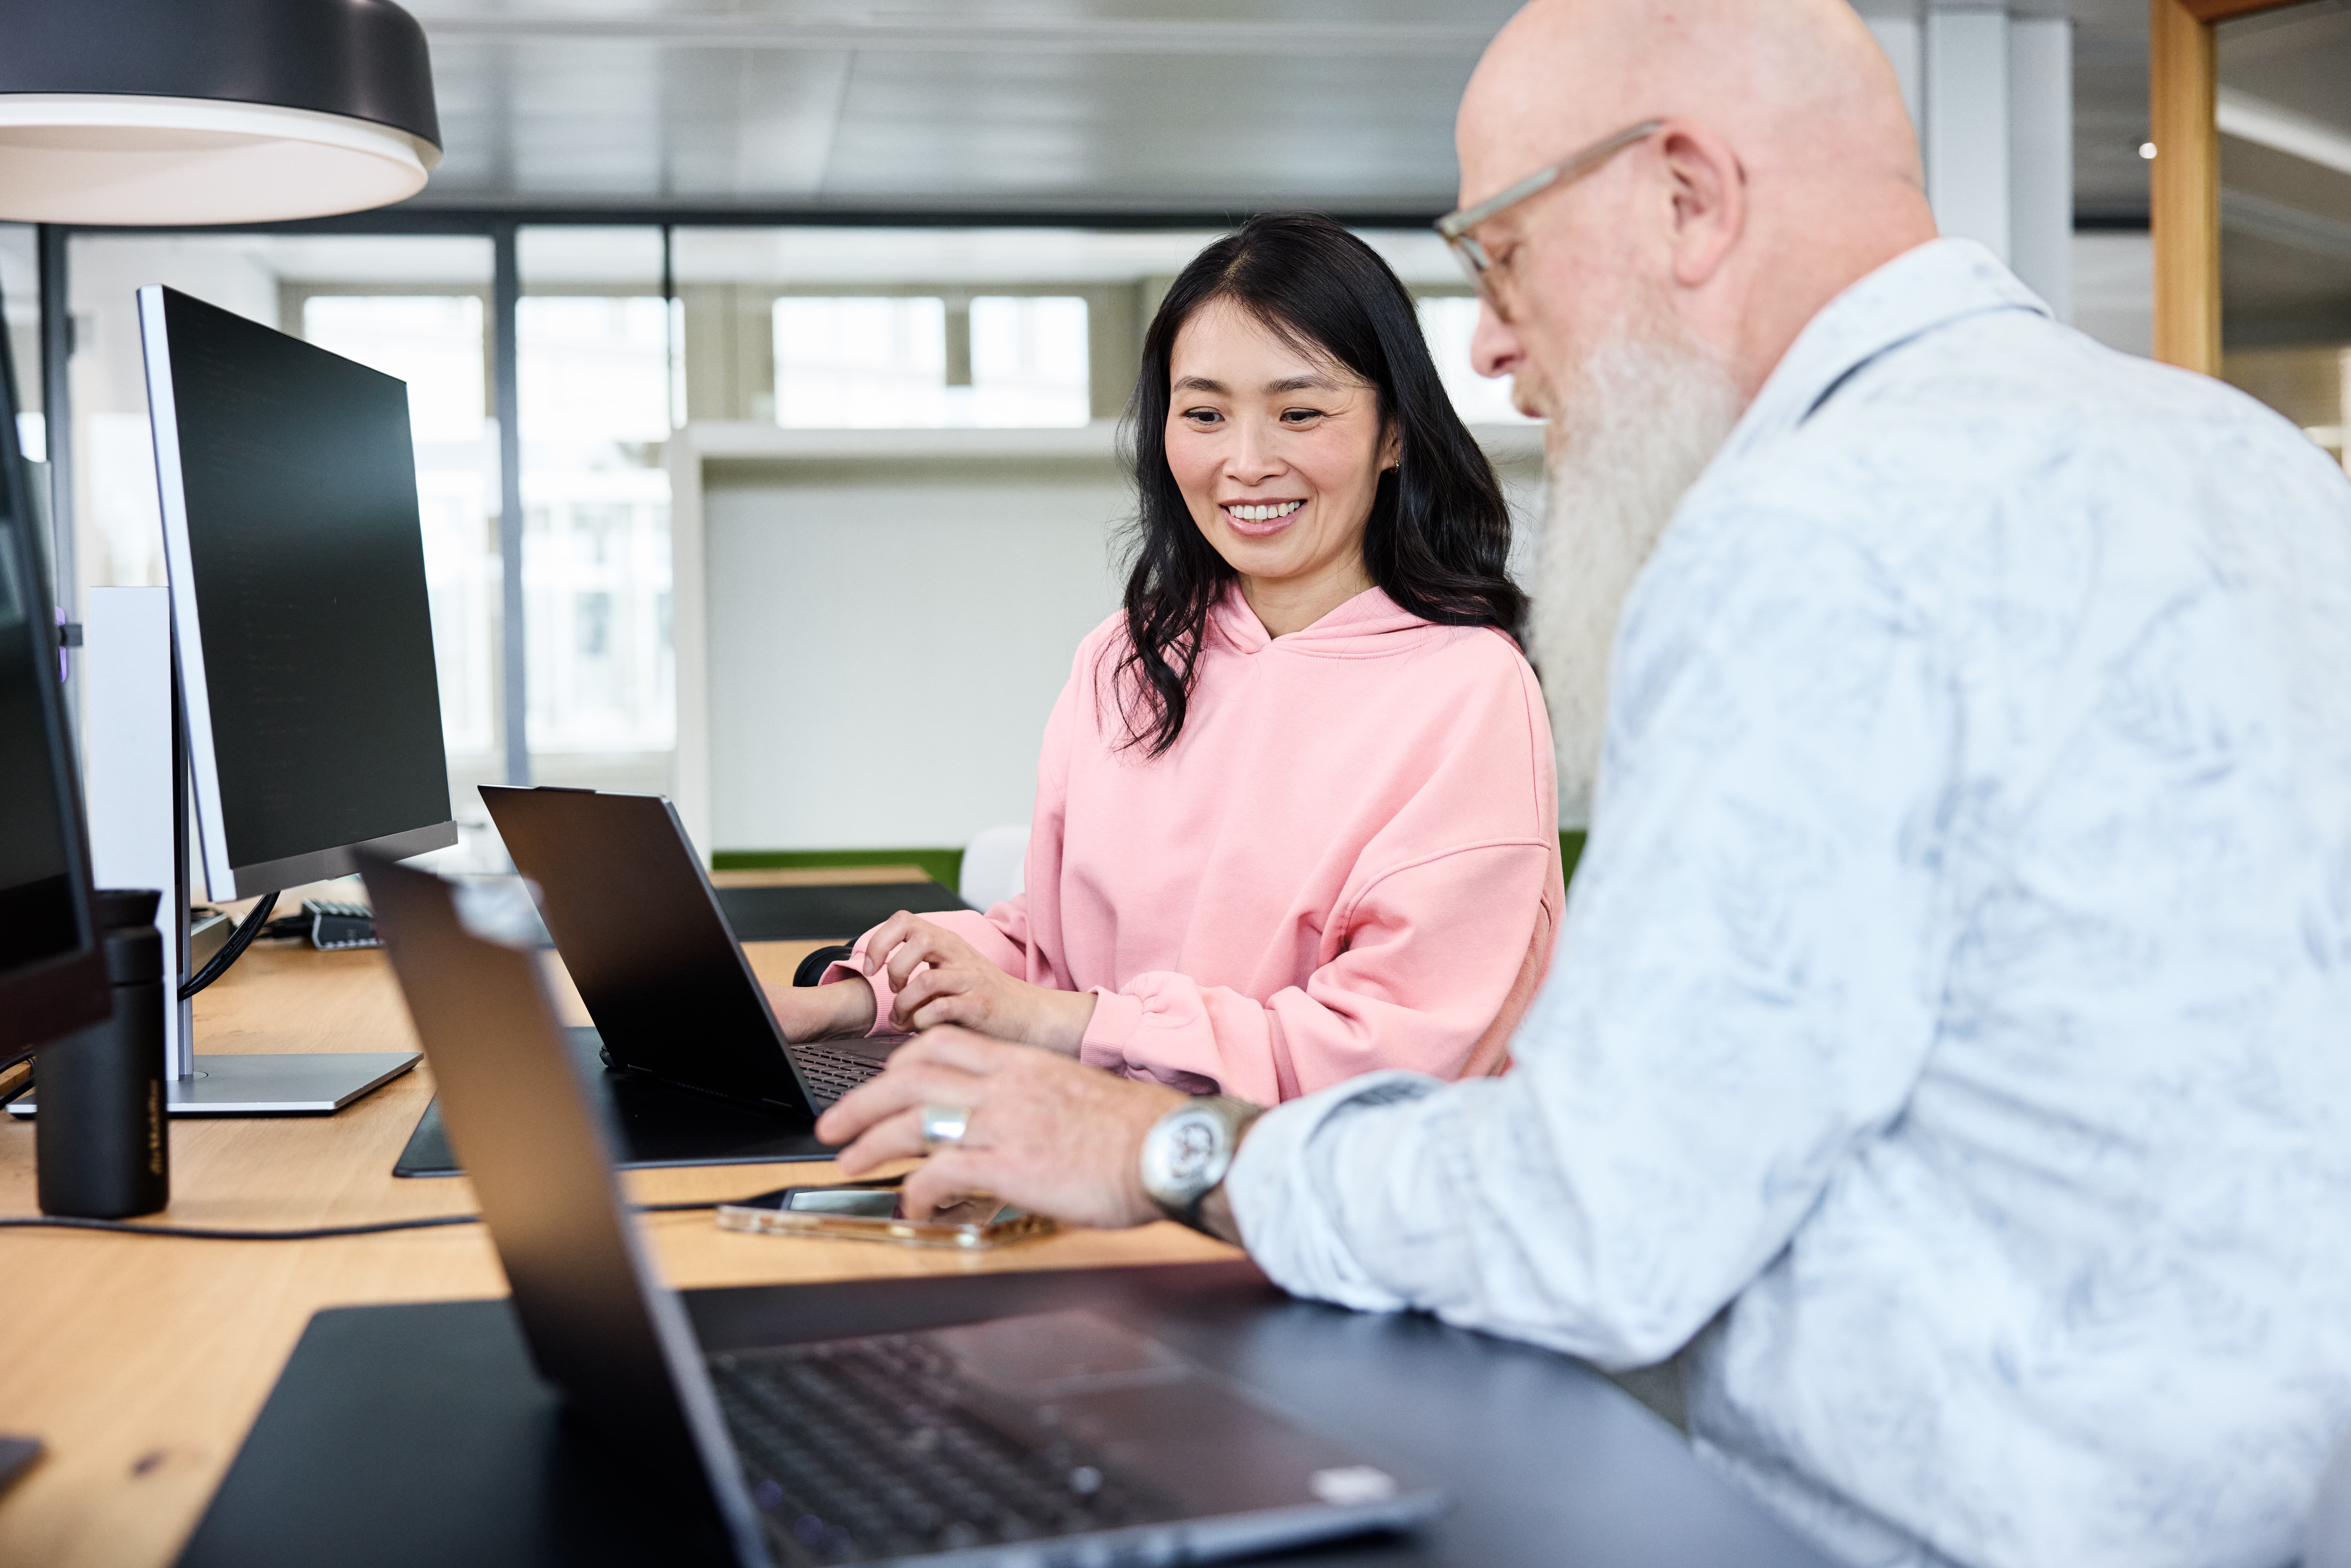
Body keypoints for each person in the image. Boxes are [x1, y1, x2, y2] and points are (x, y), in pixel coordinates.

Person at [813, 2, 2351, 1565]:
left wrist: (1162, 1145)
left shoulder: (1811, 539)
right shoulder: (2256, 464)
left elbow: (1597, 1216)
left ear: (1686, 196)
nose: (1489, 338)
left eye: (1508, 255)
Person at [769, 214, 1564, 1107]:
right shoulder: (1128, 656)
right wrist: (845, 1005)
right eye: (1205, 415)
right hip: (1080, 1155)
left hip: (1291, 1204)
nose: (1246, 463)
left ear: (1395, 435)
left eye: (1300, 413)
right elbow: (1052, 955)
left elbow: (1388, 1054)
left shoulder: (1470, 689)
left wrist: (1058, 1021)